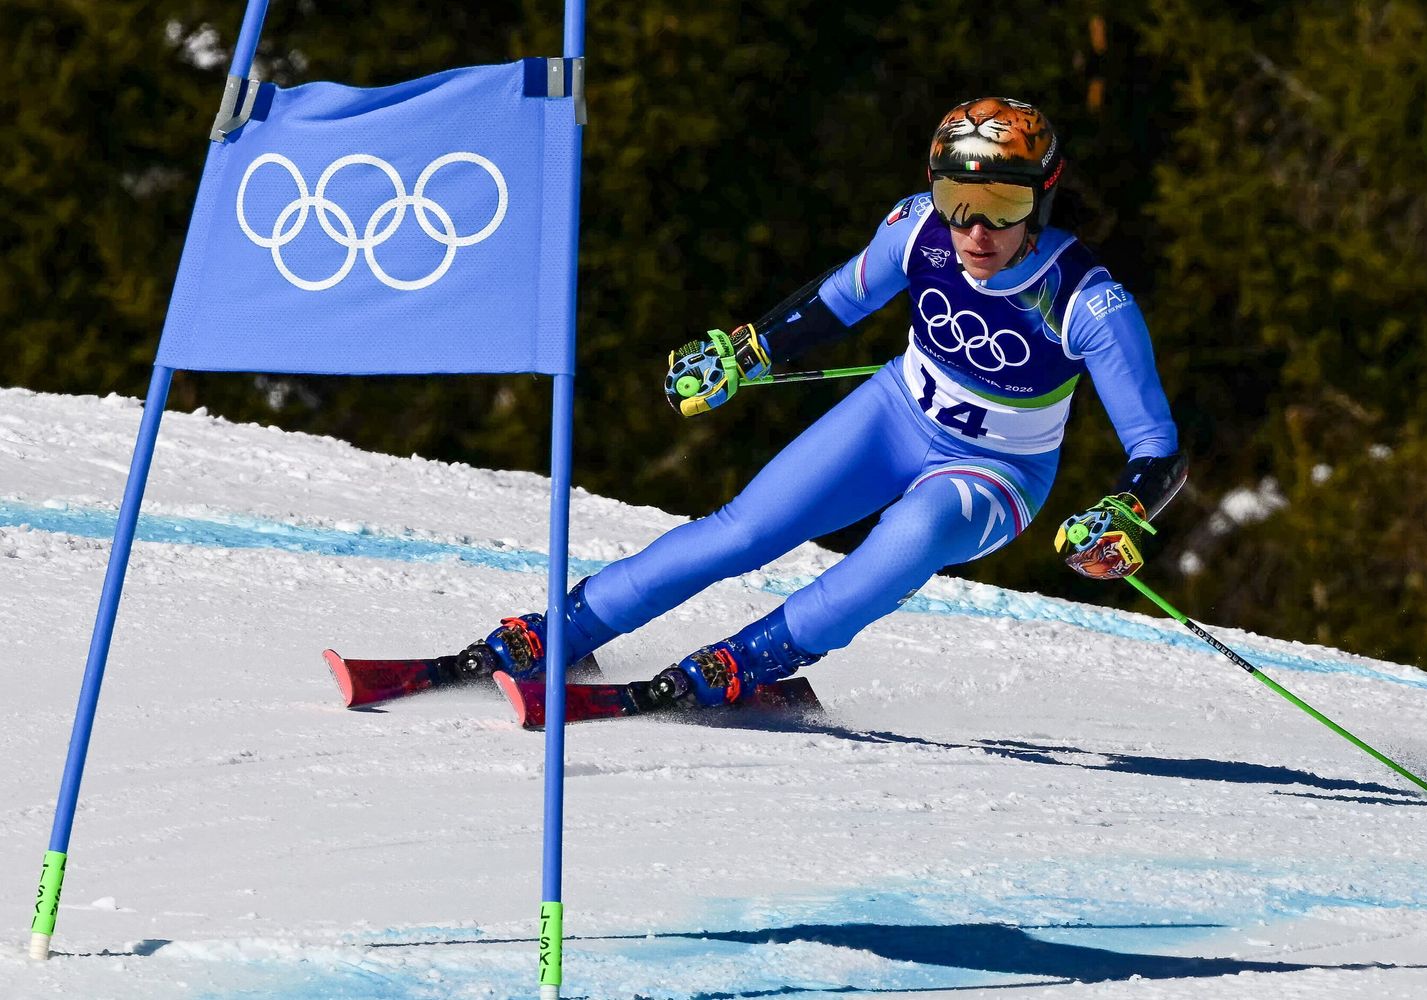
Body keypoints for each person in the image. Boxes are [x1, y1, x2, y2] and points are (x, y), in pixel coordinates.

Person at [459, 97, 1188, 707]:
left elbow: (1157, 446)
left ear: (1043, 197)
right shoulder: (916, 233)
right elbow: (837, 300)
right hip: (895, 415)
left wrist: (1124, 510)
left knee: (913, 531)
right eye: (957, 200)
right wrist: (745, 354)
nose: (974, 229)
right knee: (744, 529)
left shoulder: (1087, 300)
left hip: (995, 474)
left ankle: (747, 660)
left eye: (1001, 205)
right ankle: (568, 631)